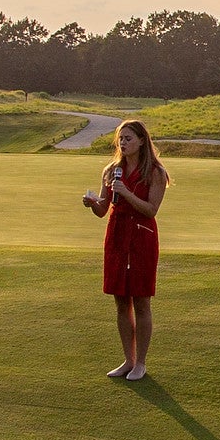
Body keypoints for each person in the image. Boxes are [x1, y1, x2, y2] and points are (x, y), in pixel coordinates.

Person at [82, 119, 169, 381]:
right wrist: (92, 203)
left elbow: (151, 209)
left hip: (142, 238)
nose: (123, 143)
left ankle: (141, 362)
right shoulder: (111, 171)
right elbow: (103, 210)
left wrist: (127, 193)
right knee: (121, 301)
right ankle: (128, 360)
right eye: (120, 139)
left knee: (141, 300)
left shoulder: (155, 172)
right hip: (117, 237)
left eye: (128, 138)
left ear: (142, 141)